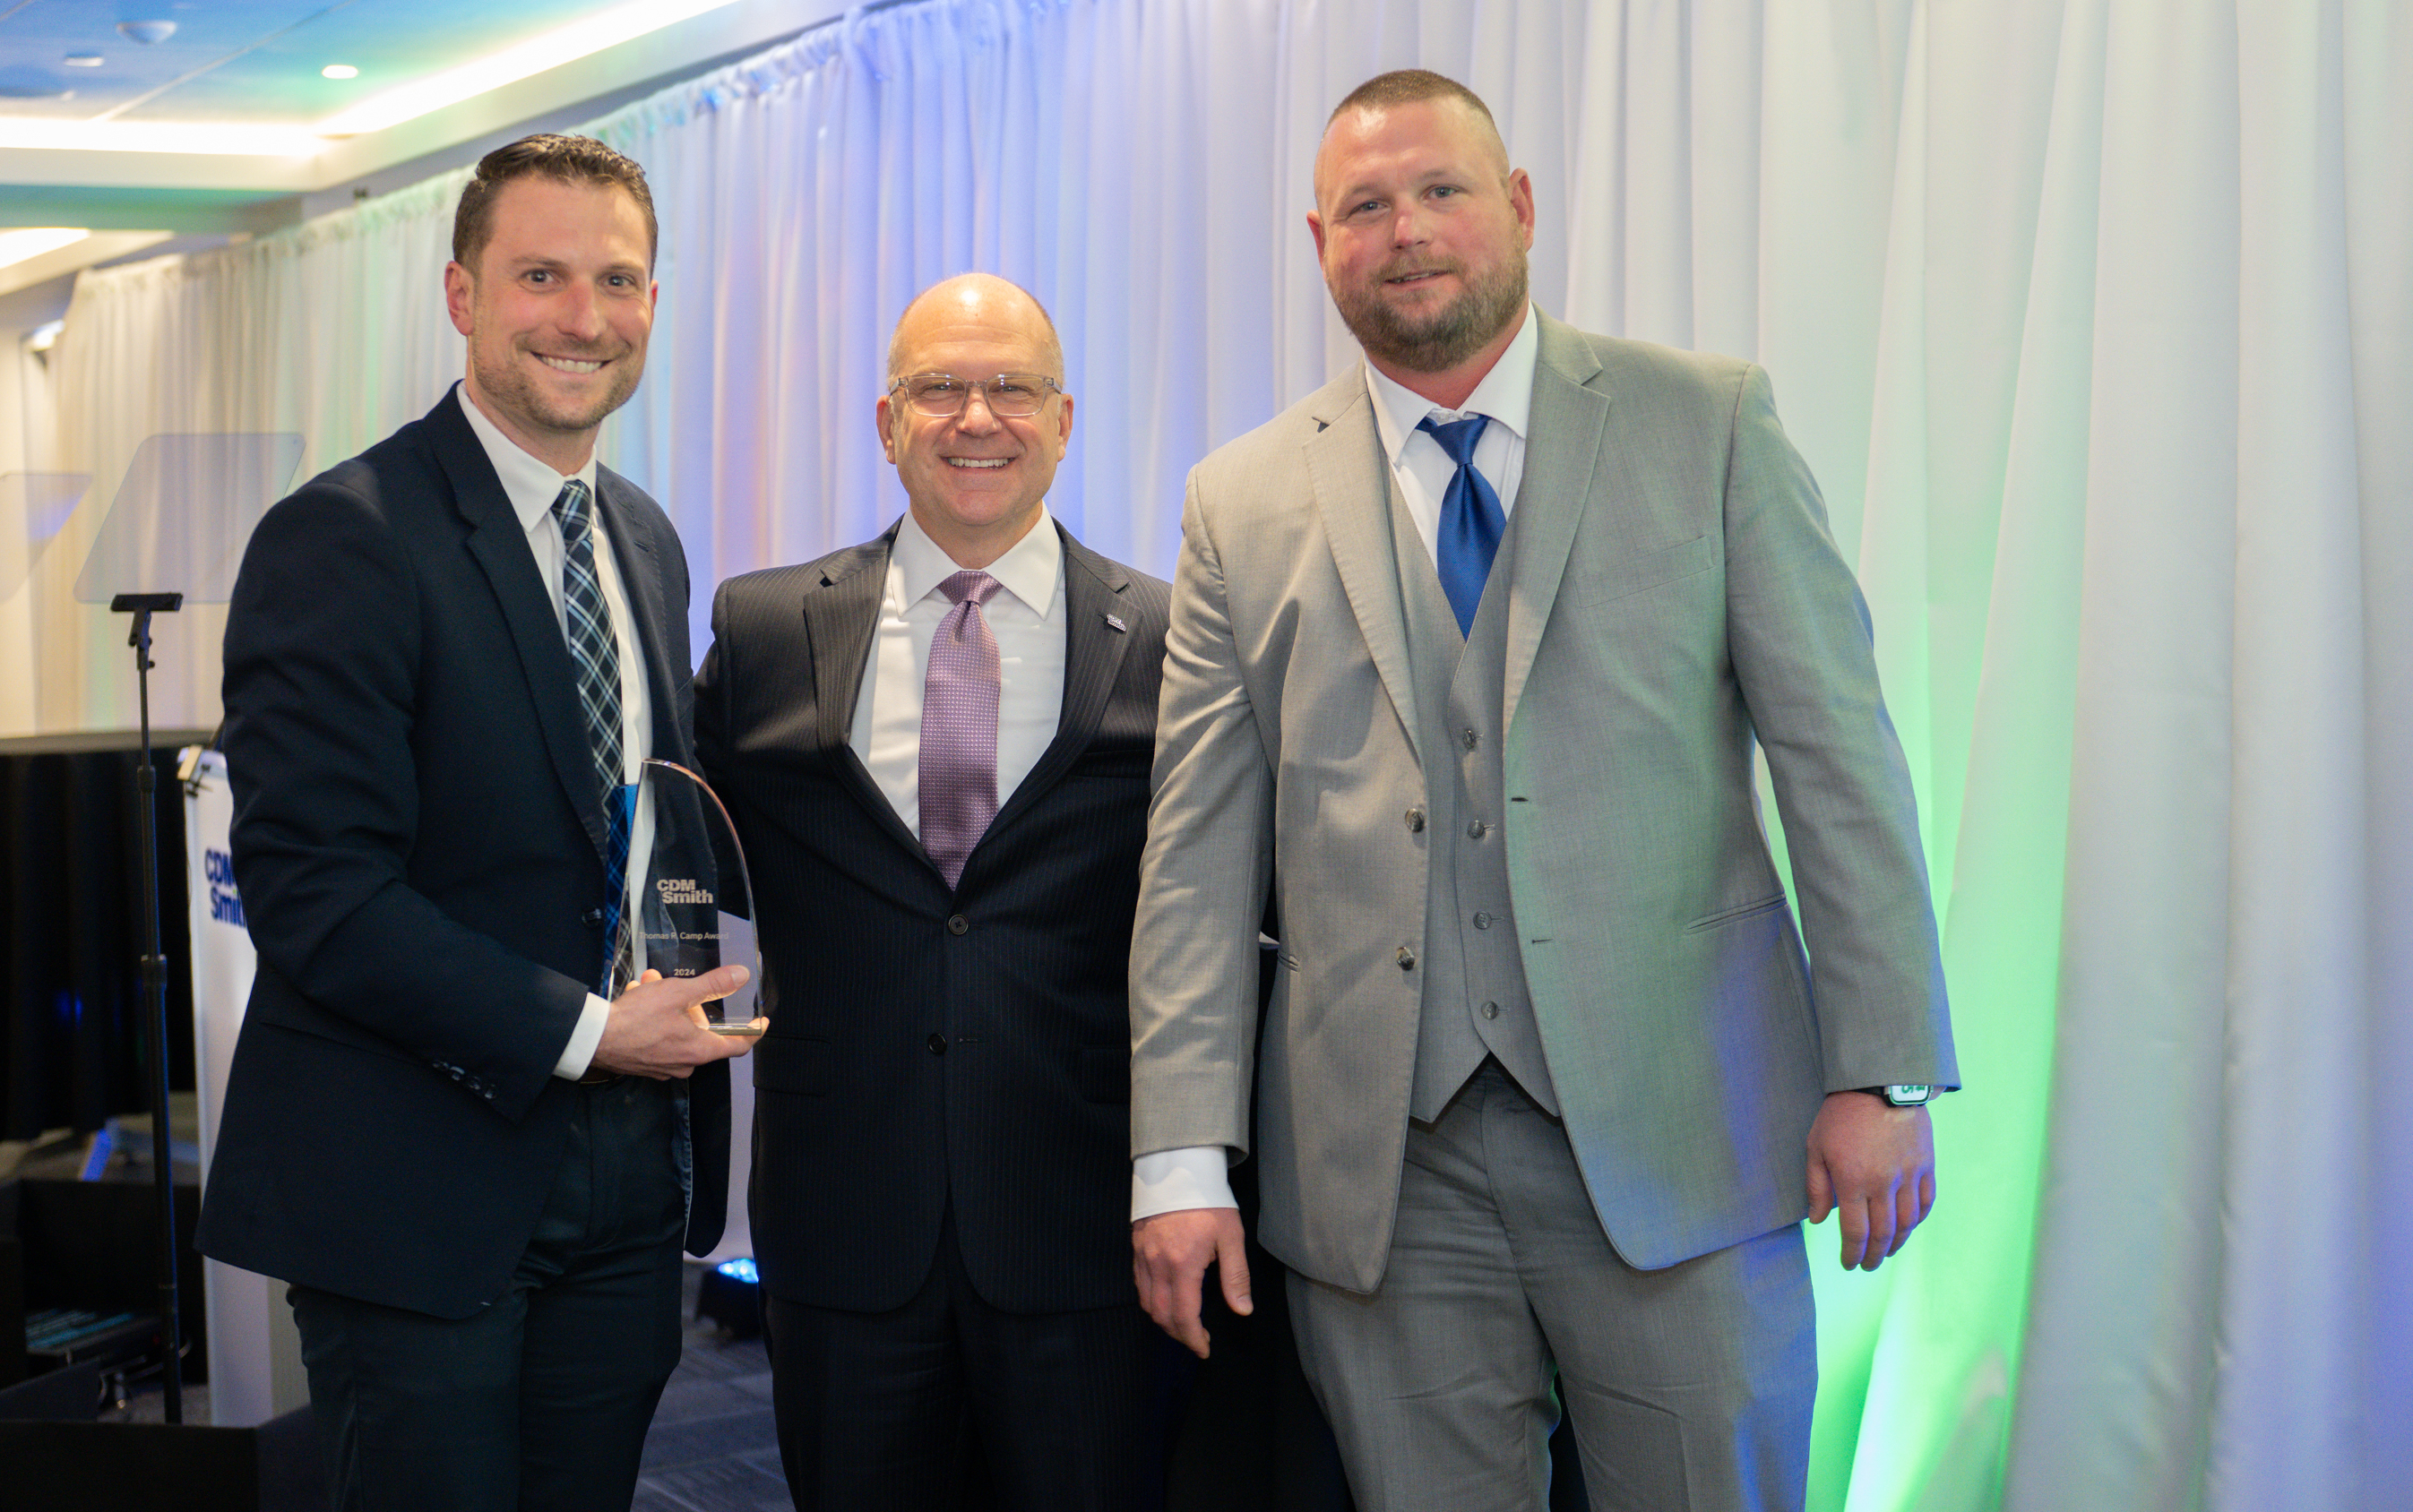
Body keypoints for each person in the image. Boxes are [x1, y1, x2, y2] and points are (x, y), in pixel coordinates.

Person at [1126, 70, 1960, 1511]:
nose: (1408, 232)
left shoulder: (1708, 423)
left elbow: (1840, 761)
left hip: (1686, 1135)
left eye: (1442, 190)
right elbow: (1195, 858)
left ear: (1516, 208)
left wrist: (1878, 1067)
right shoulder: (1238, 501)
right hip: (1383, 1178)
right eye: (1367, 207)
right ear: (1320, 238)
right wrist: (1178, 1160)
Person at [198, 133, 754, 1512]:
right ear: (462, 295)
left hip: (631, 1171)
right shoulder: (343, 536)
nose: (583, 316)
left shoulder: (642, 534)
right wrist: (585, 1030)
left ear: (654, 305)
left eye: (617, 278)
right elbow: (317, 892)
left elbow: (637, 822)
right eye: (540, 275)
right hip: (418, 1174)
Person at [693, 273, 1173, 1512]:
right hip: (843, 1216)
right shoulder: (759, 630)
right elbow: (674, 852)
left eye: (1011, 387)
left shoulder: (1170, 637)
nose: (977, 417)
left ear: (1064, 419)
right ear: (886, 421)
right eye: (938, 389)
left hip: (1082, 1218)